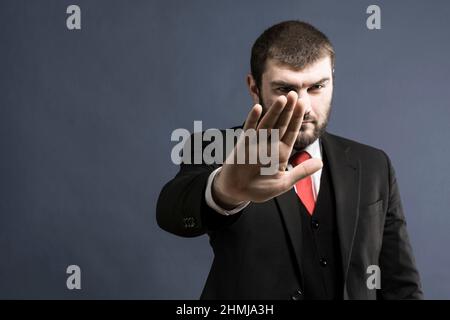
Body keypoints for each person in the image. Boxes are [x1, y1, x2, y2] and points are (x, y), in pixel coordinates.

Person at [156, 20, 423, 300]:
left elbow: (399, 285)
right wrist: (223, 191)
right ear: (254, 87)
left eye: (317, 86)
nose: (304, 107)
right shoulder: (216, 147)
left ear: (333, 78)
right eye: (285, 89)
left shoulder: (373, 164)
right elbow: (171, 213)